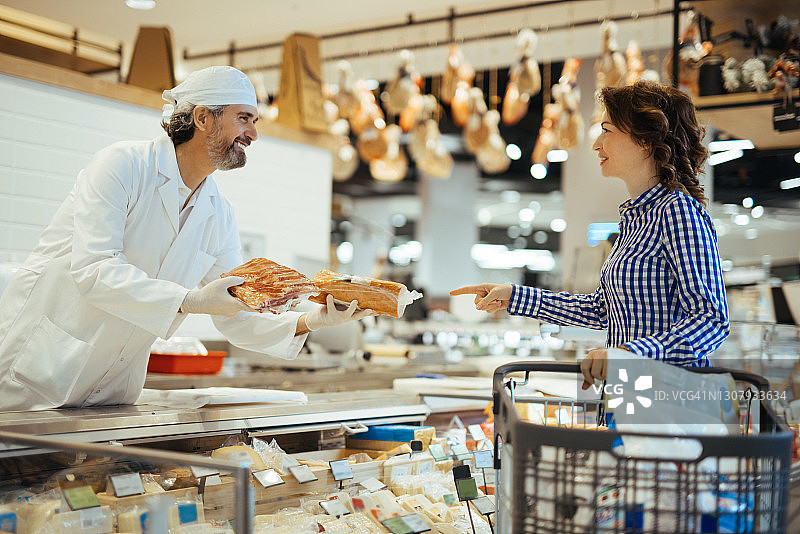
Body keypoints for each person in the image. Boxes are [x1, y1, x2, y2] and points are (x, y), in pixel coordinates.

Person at [0, 66, 372, 411]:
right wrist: (190, 300)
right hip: (38, 372)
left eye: (254, 121)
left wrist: (314, 321)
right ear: (202, 118)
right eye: (244, 118)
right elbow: (94, 270)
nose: (254, 134)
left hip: (112, 388)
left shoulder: (218, 212)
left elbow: (236, 314)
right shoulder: (122, 165)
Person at [451, 81, 729, 390]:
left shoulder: (678, 212)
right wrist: (514, 297)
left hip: (671, 400)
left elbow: (711, 321)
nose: (597, 144)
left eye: (607, 131)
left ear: (645, 141)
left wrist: (630, 354)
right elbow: (602, 310)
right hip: (632, 394)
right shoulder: (637, 219)